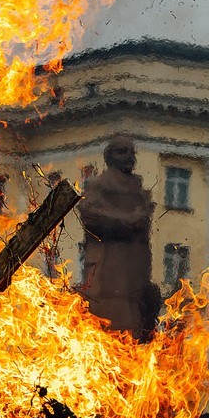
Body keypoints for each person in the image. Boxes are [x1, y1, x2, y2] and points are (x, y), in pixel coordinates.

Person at [77, 135, 161, 341]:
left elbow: (143, 221)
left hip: (135, 264)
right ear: (108, 157)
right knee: (111, 313)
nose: (129, 157)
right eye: (121, 151)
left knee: (137, 314)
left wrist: (139, 218)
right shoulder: (100, 184)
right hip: (108, 263)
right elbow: (90, 213)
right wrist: (126, 220)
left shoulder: (138, 190)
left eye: (131, 152)